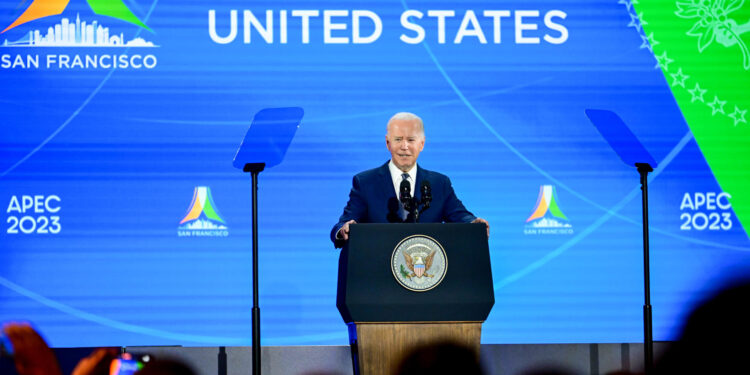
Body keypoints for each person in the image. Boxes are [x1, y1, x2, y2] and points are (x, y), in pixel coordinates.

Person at [330, 112, 489, 248]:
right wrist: (344, 229)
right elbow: (341, 226)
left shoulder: (440, 184)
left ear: (422, 144)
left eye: (411, 140)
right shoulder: (365, 182)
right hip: (378, 274)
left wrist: (474, 225)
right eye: (398, 139)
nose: (404, 146)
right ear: (388, 143)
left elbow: (461, 217)